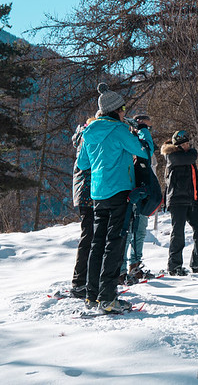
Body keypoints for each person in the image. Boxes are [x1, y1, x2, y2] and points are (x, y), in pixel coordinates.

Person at [76, 83, 148, 313]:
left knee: (97, 244)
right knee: (114, 244)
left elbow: (83, 164)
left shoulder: (90, 132)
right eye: (124, 107)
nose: (125, 111)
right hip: (119, 191)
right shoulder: (118, 130)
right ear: (116, 110)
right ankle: (108, 298)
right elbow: (144, 151)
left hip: (97, 193)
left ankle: (92, 295)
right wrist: (141, 130)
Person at [161, 130, 198, 276]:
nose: (188, 146)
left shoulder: (185, 158)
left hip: (192, 200)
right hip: (177, 200)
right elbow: (191, 157)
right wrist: (193, 159)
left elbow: (192, 170)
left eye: (188, 143)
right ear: (177, 146)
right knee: (178, 233)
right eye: (184, 144)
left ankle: (197, 264)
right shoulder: (172, 156)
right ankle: (174, 266)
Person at [119, 114, 156, 284]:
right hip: (131, 191)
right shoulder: (131, 141)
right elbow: (147, 150)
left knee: (140, 231)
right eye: (145, 127)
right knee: (127, 231)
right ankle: (120, 270)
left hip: (142, 191)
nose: (148, 130)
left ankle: (135, 265)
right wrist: (142, 131)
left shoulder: (138, 141)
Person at [69, 118, 95, 299]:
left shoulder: (82, 138)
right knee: (89, 238)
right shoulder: (88, 140)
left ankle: (82, 281)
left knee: (89, 237)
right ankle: (79, 283)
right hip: (89, 193)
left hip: (83, 194)